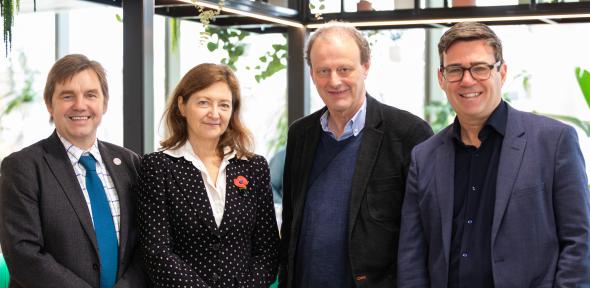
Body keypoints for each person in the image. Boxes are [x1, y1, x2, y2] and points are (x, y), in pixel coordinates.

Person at [397, 22, 590, 287]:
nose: (467, 80)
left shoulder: (554, 142)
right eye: (455, 70)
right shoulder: (424, 156)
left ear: (502, 72)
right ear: (442, 78)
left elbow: (579, 242)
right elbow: (412, 256)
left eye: (480, 68)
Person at [279, 21, 433, 288]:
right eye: (323, 71)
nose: (334, 80)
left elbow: (425, 232)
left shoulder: (408, 133)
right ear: (312, 74)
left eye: (344, 69)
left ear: (366, 66)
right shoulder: (300, 134)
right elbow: (292, 222)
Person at [0, 54, 147, 287]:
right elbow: (23, 253)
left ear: (104, 103)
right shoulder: (23, 167)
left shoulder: (130, 163)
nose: (80, 105)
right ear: (50, 104)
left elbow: (146, 244)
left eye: (91, 95)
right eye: (67, 96)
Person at [137, 63, 279, 287]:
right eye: (203, 102)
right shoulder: (157, 166)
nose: (214, 114)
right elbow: (157, 252)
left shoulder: (253, 167)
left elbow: (267, 249)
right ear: (182, 106)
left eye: (224, 105)